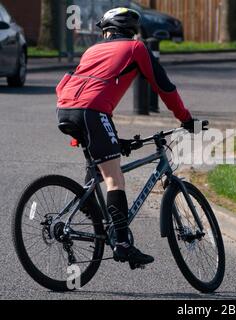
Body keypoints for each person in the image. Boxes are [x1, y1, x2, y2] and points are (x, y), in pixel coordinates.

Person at [55, 7, 196, 268]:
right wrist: (185, 118)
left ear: (107, 31)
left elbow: (91, 90)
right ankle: (122, 243)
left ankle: (92, 213)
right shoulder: (136, 49)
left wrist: (113, 140)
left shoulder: (92, 50)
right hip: (91, 112)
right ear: (131, 30)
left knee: (100, 167)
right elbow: (163, 86)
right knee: (114, 178)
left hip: (66, 109)